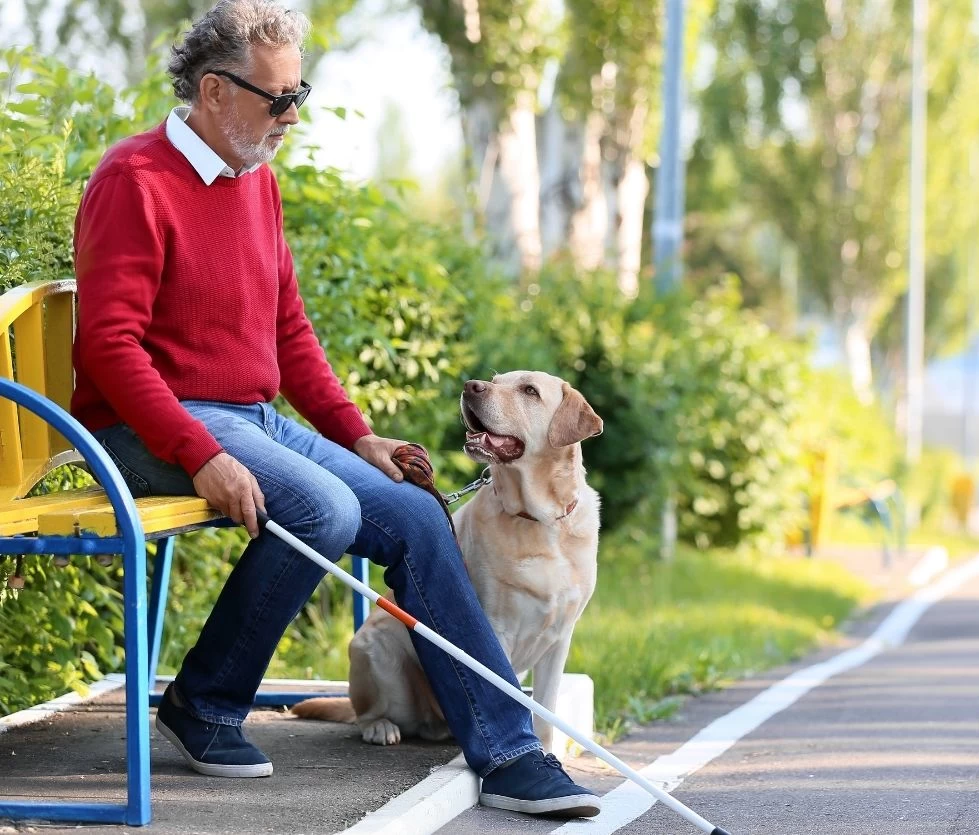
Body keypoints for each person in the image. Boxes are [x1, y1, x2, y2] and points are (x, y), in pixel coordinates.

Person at [71, 0, 600, 818]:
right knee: (322, 506)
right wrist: (199, 449)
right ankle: (203, 702)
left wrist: (357, 435)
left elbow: (289, 333)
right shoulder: (133, 181)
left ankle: (506, 751)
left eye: (298, 94)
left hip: (250, 416)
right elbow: (108, 348)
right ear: (213, 92)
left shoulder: (258, 186)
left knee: (415, 513)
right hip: (148, 423)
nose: (290, 115)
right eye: (275, 97)